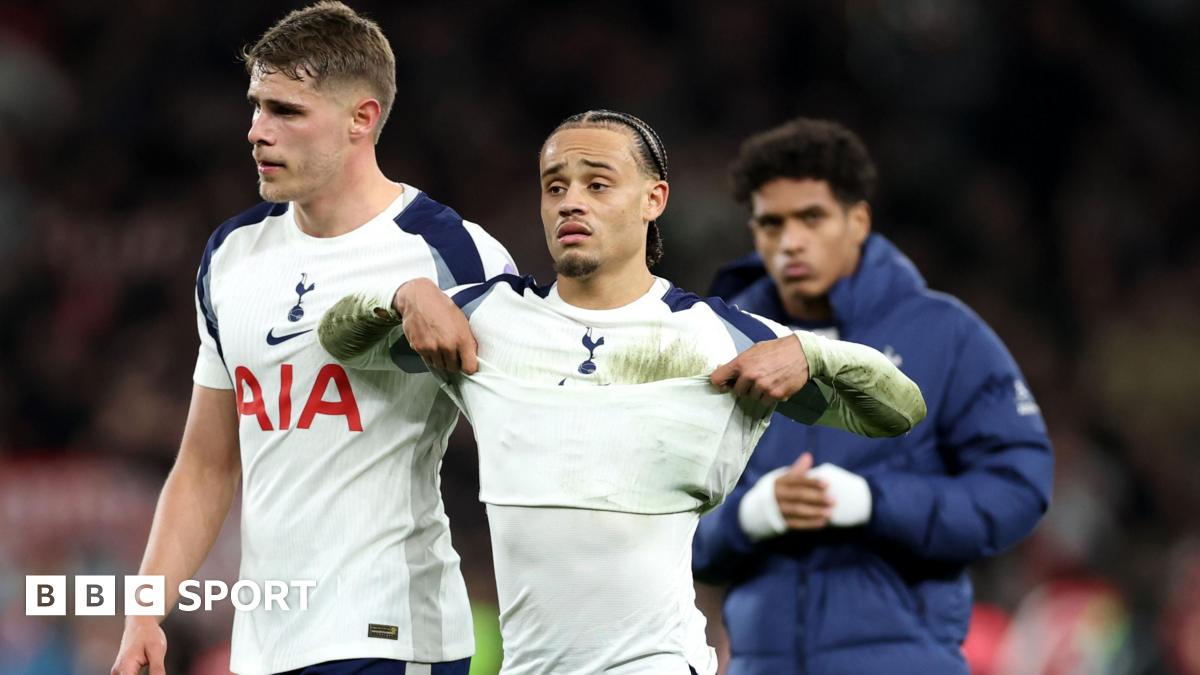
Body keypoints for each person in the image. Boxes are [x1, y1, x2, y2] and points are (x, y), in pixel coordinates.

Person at [317, 110, 927, 675]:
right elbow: (339, 339)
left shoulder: (717, 337)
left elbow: (899, 411)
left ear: (653, 200)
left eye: (597, 184)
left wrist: (813, 352)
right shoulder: (487, 318)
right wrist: (403, 295)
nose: (570, 201)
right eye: (555, 186)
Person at [110, 4, 515, 675]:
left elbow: (531, 426)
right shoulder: (232, 254)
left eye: (286, 111)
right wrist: (144, 613)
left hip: (389, 634)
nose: (256, 131)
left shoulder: (452, 253)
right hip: (265, 645)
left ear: (362, 118)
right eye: (256, 107)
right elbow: (207, 463)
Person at [691, 117, 1054, 674]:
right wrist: (748, 516)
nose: (790, 242)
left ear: (857, 220)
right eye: (771, 223)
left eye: (811, 218)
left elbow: (1018, 487)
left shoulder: (944, 336)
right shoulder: (720, 343)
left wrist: (874, 502)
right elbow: (662, 521)